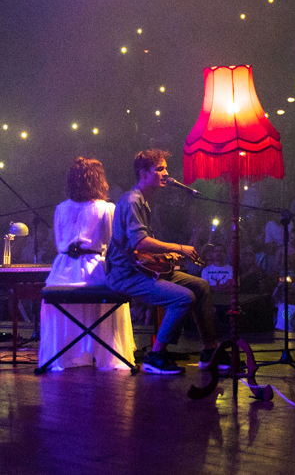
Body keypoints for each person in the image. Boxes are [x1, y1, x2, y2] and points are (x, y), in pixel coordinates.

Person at [106, 149, 226, 375]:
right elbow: (139, 241)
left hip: (141, 268)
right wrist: (179, 248)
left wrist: (162, 257)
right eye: (159, 169)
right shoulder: (132, 201)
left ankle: (210, 352)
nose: (166, 173)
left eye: (166, 169)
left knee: (200, 286)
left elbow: (136, 247)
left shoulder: (143, 201)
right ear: (143, 174)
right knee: (183, 297)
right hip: (126, 275)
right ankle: (155, 355)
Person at [39, 158, 135, 371]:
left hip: (62, 272)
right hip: (94, 271)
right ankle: (107, 356)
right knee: (104, 302)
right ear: (99, 180)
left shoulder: (60, 208)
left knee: (64, 307)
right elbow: (113, 245)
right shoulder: (107, 208)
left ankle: (65, 357)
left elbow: (58, 242)